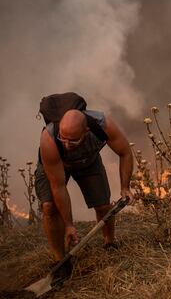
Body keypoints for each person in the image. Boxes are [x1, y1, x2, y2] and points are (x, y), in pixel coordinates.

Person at [35, 108, 134, 277]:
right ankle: (61, 262)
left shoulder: (103, 125)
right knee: (49, 207)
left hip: (89, 161)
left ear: (86, 131)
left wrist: (125, 187)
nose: (66, 145)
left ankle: (109, 244)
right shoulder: (49, 138)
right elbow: (58, 186)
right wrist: (69, 224)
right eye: (63, 139)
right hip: (56, 166)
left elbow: (125, 153)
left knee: (103, 205)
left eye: (72, 141)